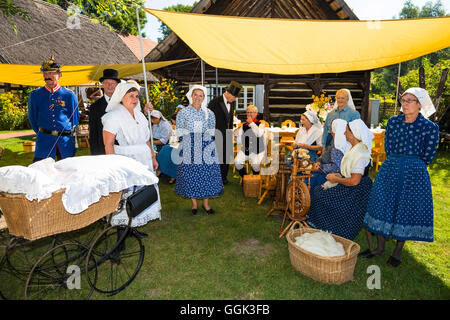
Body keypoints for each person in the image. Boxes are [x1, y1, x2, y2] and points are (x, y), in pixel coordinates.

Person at [362, 88, 440, 267]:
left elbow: (429, 154)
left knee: (405, 209)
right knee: (381, 204)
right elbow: (388, 147)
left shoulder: (429, 127)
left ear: (420, 104)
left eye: (410, 100)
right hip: (390, 168)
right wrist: (396, 162)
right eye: (403, 100)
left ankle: (397, 253)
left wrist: (411, 165)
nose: (404, 103)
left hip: (414, 173)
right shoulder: (393, 122)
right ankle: (380, 248)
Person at [102, 82, 161, 229]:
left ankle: (135, 224)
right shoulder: (113, 116)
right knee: (127, 193)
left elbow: (147, 138)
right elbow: (108, 144)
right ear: (121, 97)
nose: (134, 99)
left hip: (144, 158)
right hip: (126, 158)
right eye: (130, 96)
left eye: (136, 96)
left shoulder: (140, 115)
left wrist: (153, 157)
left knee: (142, 191)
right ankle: (123, 228)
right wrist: (112, 164)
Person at [306, 119, 374, 241]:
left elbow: (354, 181)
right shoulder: (354, 148)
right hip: (350, 185)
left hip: (356, 192)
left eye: (346, 131)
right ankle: (325, 230)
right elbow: (348, 171)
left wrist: (336, 179)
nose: (344, 134)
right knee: (318, 191)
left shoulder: (361, 154)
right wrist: (337, 175)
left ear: (353, 134)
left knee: (321, 196)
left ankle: (334, 231)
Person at [174, 85, 223, 215]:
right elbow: (179, 130)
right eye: (195, 94)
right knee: (191, 175)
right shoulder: (183, 113)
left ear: (203, 98)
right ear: (191, 96)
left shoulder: (209, 113)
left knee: (206, 175)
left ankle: (206, 204)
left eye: (200, 95)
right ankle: (194, 204)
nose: (197, 97)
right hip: (189, 145)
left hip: (205, 146)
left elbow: (212, 130)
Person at [28, 55, 79, 162]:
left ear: (59, 75)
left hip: (65, 142)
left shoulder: (69, 95)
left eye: (51, 73)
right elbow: (32, 118)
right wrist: (43, 133)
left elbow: (74, 119)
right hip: (44, 142)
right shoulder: (35, 95)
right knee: (41, 173)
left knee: (67, 173)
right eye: (45, 73)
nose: (47, 76)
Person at [208, 81, 243, 185]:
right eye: (234, 97)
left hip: (227, 134)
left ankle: (223, 178)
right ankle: (214, 179)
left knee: (226, 157)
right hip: (216, 134)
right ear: (228, 93)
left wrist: (231, 130)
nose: (235, 99)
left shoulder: (231, 102)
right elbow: (209, 119)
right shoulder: (214, 102)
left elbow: (230, 118)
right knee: (216, 158)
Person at [308, 118, 350, 193]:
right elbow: (326, 153)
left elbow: (337, 167)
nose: (329, 130)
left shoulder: (339, 145)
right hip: (324, 169)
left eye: (331, 127)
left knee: (310, 179)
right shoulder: (335, 140)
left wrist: (320, 168)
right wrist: (319, 161)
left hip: (331, 175)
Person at [88, 69, 121, 155]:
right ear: (102, 84)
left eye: (112, 83)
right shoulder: (94, 107)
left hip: (123, 150)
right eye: (106, 83)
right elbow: (93, 134)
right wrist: (95, 154)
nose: (109, 86)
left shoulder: (124, 103)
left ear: (117, 85)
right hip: (103, 150)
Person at [234, 105, 266, 178]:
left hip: (258, 150)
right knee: (237, 162)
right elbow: (239, 141)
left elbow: (259, 133)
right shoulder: (244, 126)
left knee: (255, 164)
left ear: (256, 113)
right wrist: (236, 136)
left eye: (251, 112)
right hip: (246, 149)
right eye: (248, 112)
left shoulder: (261, 124)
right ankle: (245, 178)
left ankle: (255, 179)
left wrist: (251, 123)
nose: (249, 114)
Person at [156, 111, 179, 184]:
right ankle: (160, 171)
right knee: (164, 150)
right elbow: (173, 140)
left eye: (173, 121)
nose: (172, 122)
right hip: (175, 144)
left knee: (169, 151)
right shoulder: (176, 127)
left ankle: (173, 176)